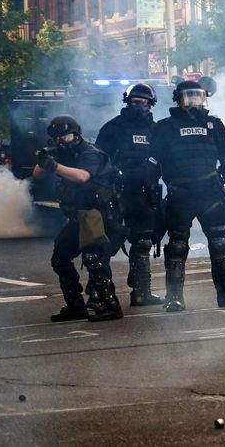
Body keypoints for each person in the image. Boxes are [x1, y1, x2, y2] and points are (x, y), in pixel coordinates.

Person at [150, 80, 225, 311]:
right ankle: (174, 297)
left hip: (209, 190)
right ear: (178, 99)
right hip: (180, 191)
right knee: (177, 245)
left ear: (204, 98)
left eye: (197, 97)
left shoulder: (215, 124)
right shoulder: (165, 127)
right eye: (187, 97)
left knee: (220, 241)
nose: (193, 102)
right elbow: (153, 162)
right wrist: (151, 191)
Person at [35, 116, 124, 322]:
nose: (61, 140)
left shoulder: (90, 153)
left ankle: (109, 304)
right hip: (78, 215)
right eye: (57, 137)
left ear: (76, 134)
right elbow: (38, 174)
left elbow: (82, 177)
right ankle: (75, 306)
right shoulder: (61, 154)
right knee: (60, 257)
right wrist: (46, 160)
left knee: (94, 258)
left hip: (98, 214)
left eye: (64, 136)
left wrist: (54, 166)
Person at [96, 83, 165, 307]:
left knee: (143, 242)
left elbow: (167, 160)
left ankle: (141, 292)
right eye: (135, 102)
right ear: (127, 102)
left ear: (151, 104)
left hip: (145, 195)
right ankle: (103, 294)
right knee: (109, 241)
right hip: (117, 195)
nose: (139, 106)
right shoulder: (112, 128)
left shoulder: (157, 130)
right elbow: (97, 161)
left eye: (143, 102)